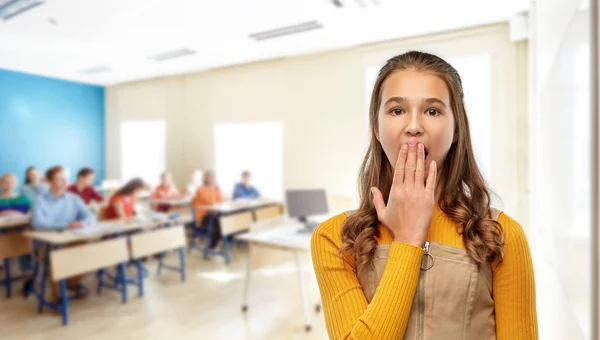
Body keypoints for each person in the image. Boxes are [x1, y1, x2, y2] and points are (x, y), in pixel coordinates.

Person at [311, 51, 537, 339]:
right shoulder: (334, 238)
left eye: (432, 111)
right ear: (376, 130)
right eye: (397, 110)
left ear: (457, 130)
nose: (414, 126)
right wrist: (407, 239)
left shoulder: (502, 235)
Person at [31, 166, 96, 300]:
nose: (64, 181)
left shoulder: (73, 198)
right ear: (49, 182)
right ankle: (58, 296)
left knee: (94, 249)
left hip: (70, 238)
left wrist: (85, 223)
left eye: (65, 178)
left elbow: (90, 216)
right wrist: (66, 226)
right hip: (46, 244)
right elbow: (37, 223)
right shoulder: (40, 201)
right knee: (57, 255)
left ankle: (70, 282)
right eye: (59, 179)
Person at [0, 172, 34, 296]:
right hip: (3, 233)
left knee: (24, 242)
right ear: (1, 184)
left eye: (11, 182)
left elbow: (32, 213)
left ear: (16, 184)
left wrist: (18, 215)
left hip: (21, 231)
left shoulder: (23, 198)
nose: (9, 185)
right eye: (6, 182)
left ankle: (29, 278)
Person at [193, 171, 224, 249]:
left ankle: (215, 242)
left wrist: (216, 189)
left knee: (224, 220)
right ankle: (212, 245)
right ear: (206, 178)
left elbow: (221, 201)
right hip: (204, 216)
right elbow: (210, 202)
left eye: (214, 177)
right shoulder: (201, 189)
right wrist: (214, 189)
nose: (213, 179)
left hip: (214, 214)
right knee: (220, 222)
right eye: (211, 177)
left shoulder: (217, 188)